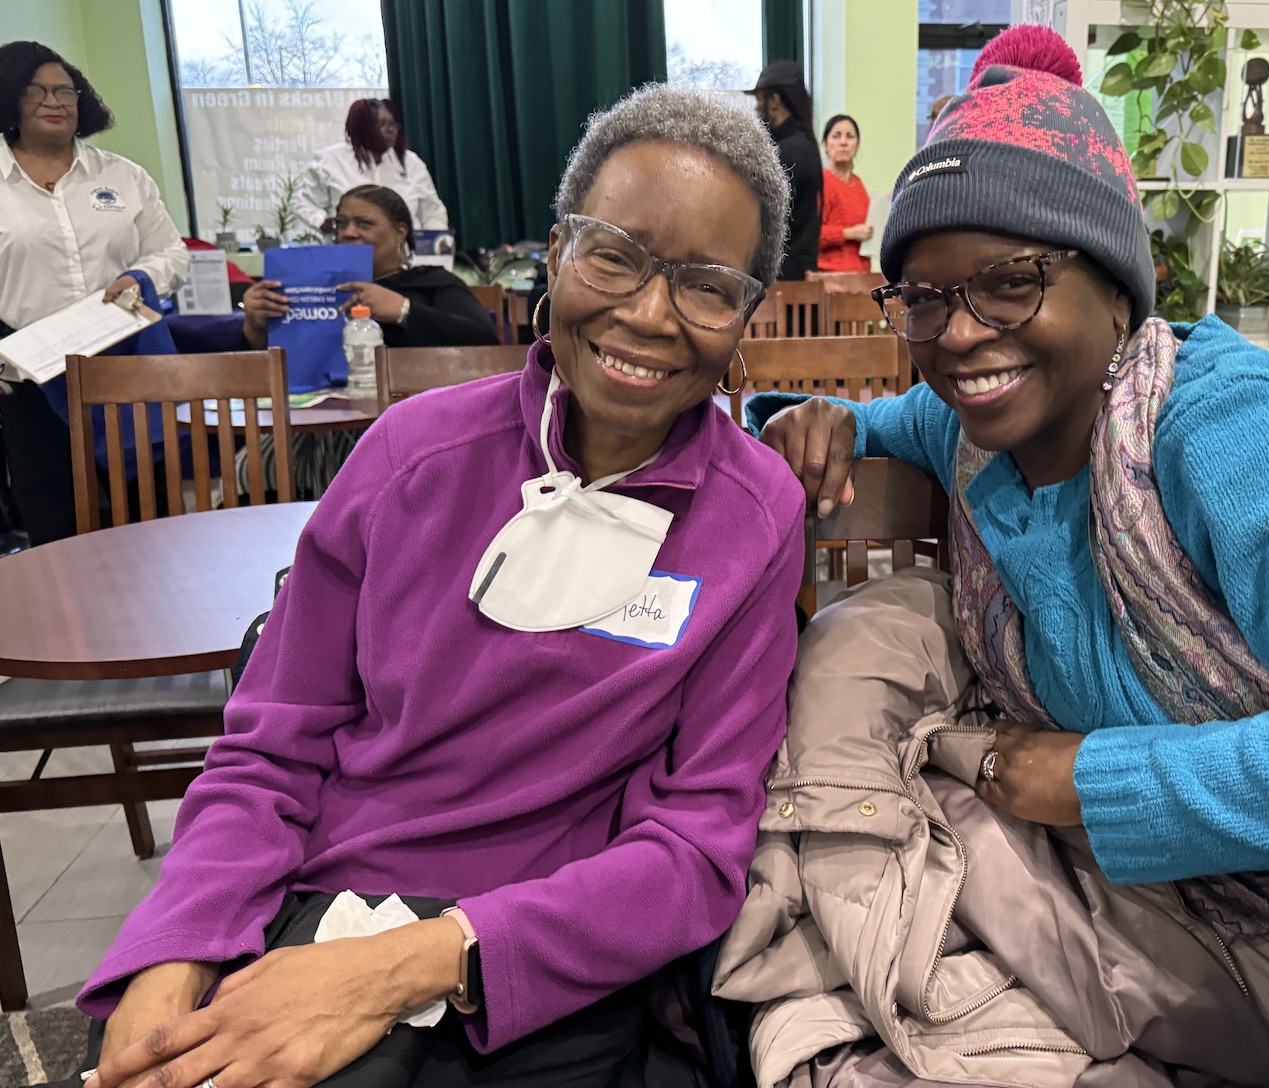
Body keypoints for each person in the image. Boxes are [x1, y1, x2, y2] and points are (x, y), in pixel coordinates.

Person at [748, 26, 1269, 1082]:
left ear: (1117, 289)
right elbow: (858, 419)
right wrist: (800, 418)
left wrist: (1099, 783)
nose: (959, 334)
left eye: (1011, 281)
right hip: (1226, 907)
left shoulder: (1230, 432)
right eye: (923, 296)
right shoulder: (976, 433)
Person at [79, 83, 804, 1088]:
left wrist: (403, 966)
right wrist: (173, 956)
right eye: (613, 254)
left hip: (542, 964)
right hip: (318, 905)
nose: (648, 315)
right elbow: (268, 751)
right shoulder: (410, 454)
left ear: (746, 315)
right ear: (553, 256)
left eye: (708, 285)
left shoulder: (754, 514)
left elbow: (696, 847)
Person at [0, 41, 187, 545]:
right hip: (29, 377)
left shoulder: (123, 176)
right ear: (10, 98)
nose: (54, 101)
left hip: (125, 365)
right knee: (53, 516)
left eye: (66, 90)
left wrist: (141, 279)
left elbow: (171, 253)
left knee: (151, 512)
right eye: (36, 90)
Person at [241, 185, 498, 351]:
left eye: (363, 223)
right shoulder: (310, 287)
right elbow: (279, 362)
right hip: (314, 416)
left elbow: (483, 340)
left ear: (399, 233)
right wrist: (256, 324)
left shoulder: (431, 282)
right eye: (341, 223)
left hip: (408, 414)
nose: (348, 233)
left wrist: (402, 310)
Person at [295, 98, 448, 237]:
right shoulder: (330, 160)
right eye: (382, 124)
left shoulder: (411, 163)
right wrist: (323, 222)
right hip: (351, 252)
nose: (391, 130)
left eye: (393, 124)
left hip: (405, 257)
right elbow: (304, 204)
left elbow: (433, 213)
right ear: (362, 128)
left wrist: (434, 249)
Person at [747, 60, 820, 281]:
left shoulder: (788, 152)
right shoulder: (804, 143)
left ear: (775, 101)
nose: (757, 108)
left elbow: (771, 220)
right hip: (798, 273)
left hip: (784, 281)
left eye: (760, 100)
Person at [817, 114, 872, 273]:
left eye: (850, 137)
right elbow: (813, 234)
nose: (843, 142)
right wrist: (849, 233)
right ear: (825, 144)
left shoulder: (858, 183)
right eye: (836, 136)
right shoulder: (822, 181)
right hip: (830, 274)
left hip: (862, 274)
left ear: (857, 145)